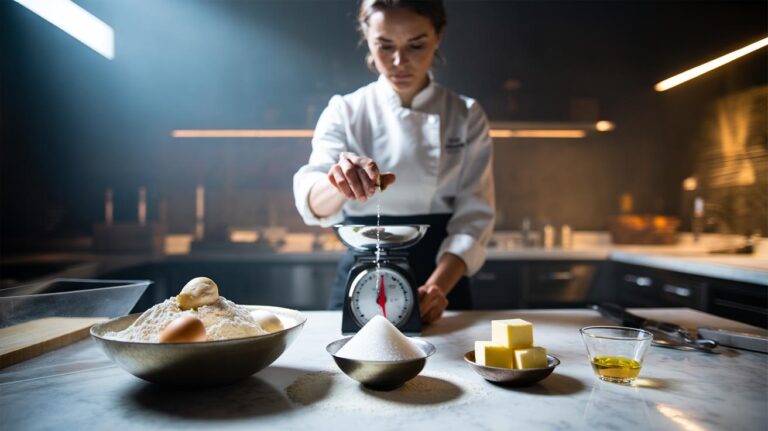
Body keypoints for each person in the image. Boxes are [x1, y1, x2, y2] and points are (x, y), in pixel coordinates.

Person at [293, 0, 494, 324]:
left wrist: (435, 289)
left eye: (417, 44)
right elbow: (312, 202)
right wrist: (339, 182)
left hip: (443, 281)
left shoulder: (466, 115)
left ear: (438, 35)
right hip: (362, 270)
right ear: (367, 36)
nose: (400, 61)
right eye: (385, 46)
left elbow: (474, 219)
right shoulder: (345, 111)